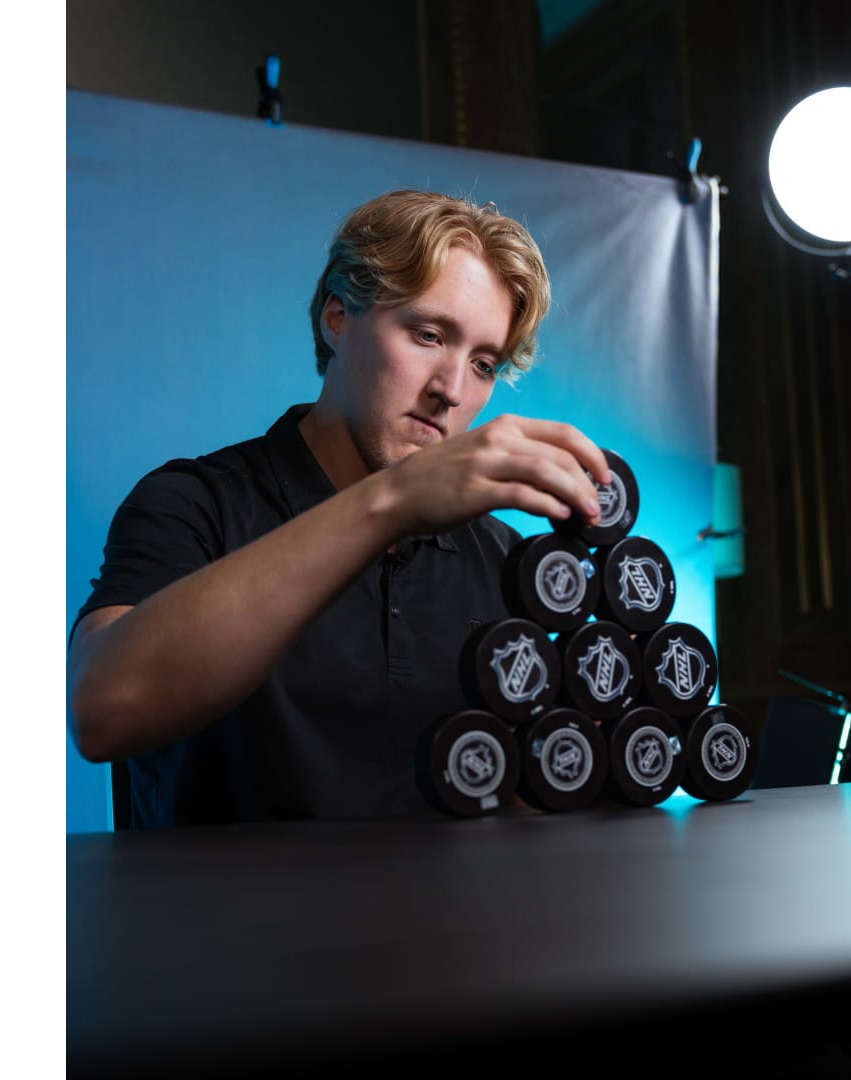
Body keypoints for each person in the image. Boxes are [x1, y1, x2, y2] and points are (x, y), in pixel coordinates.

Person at [69, 190, 608, 826]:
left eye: (484, 363)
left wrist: (591, 736)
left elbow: (514, 806)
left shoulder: (508, 562)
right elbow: (103, 713)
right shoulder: (194, 504)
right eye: (428, 335)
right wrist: (391, 502)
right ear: (338, 317)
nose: (451, 389)